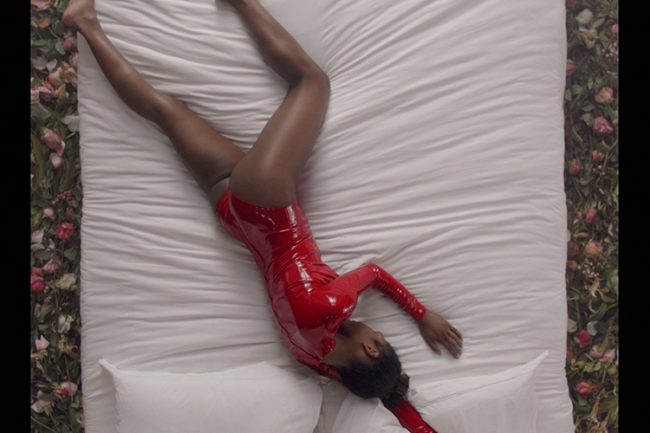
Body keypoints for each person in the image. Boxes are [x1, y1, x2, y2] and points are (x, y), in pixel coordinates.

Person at [62, 0, 463, 431]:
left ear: (370, 350)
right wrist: (402, 406)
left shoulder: (333, 306)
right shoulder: (310, 357)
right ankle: (86, 23)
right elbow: (383, 395)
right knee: (165, 109)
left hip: (268, 200)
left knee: (311, 82)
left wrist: (422, 315)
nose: (367, 327)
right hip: (233, 215)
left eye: (377, 337)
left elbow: (375, 273)